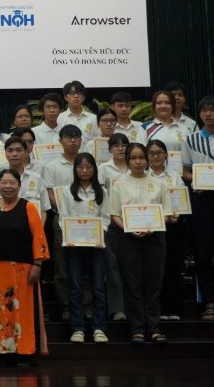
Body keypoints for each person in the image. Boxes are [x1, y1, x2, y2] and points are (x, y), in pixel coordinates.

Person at [108, 142, 174, 344]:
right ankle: (137, 328)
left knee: (153, 283)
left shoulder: (160, 183)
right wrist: (129, 228)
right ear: (127, 160)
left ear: (147, 159)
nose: (138, 161)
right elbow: (114, 214)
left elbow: (168, 213)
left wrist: (152, 227)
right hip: (129, 239)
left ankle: (153, 328)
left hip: (155, 238)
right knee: (133, 283)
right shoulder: (118, 183)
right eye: (133, 158)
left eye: (141, 157)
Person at [0, 168, 50, 359]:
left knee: (24, 311)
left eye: (12, 183)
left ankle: (25, 351)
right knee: (0, 311)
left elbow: (38, 236)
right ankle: (2, 351)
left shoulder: (28, 207)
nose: (7, 186)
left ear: (19, 186)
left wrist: (38, 265)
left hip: (24, 269)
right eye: (4, 183)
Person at [57, 153, 110, 343]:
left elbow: (105, 218)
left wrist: (99, 234)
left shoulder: (102, 191)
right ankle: (77, 328)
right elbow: (63, 217)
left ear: (95, 169)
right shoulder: (66, 191)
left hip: (97, 245)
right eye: (80, 167)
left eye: (88, 167)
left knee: (98, 286)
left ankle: (99, 328)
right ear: (75, 169)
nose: (85, 170)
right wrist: (69, 236)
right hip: (74, 246)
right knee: (76, 287)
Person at [43, 125, 84, 319]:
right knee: (61, 264)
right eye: (69, 137)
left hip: (87, 221)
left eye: (76, 137)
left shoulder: (87, 163)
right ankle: (66, 306)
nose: (73, 141)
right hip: (61, 219)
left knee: (87, 263)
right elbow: (50, 194)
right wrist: (67, 212)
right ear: (60, 141)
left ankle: (87, 306)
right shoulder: (52, 166)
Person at [146, 140, 187, 321]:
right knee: (154, 269)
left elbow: (180, 201)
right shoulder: (142, 176)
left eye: (159, 153)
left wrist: (175, 215)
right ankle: (158, 308)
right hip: (150, 229)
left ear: (166, 155)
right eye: (152, 153)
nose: (155, 156)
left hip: (172, 226)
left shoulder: (175, 177)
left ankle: (174, 307)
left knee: (173, 265)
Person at [182, 95, 214, 321]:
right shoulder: (191, 139)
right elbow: (185, 171)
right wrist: (198, 180)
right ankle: (209, 302)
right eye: (204, 110)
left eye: (212, 110)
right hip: (203, 200)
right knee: (203, 251)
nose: (208, 114)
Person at [99, 133, 130, 321]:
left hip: (134, 222)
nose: (120, 148)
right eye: (116, 145)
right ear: (109, 149)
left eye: (124, 145)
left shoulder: (136, 167)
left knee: (131, 266)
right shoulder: (103, 169)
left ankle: (133, 306)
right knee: (112, 266)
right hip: (111, 222)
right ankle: (118, 308)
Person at [144, 90, 188, 173]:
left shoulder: (183, 129)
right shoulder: (145, 128)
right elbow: (141, 154)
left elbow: (188, 155)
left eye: (167, 103)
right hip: (152, 176)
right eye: (159, 103)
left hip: (179, 176)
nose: (163, 106)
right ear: (154, 106)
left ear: (173, 106)